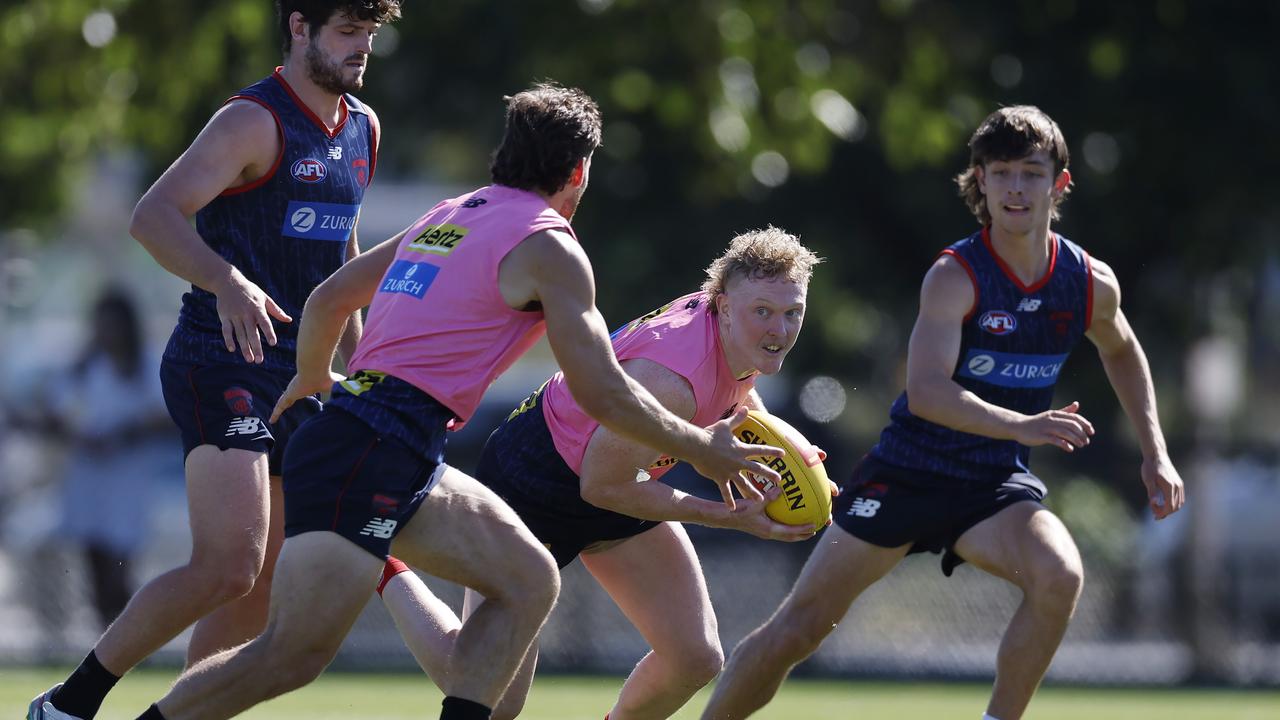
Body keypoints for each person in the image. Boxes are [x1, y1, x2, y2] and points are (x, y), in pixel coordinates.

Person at [124, 82, 784, 720]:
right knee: (288, 657)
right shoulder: (552, 246)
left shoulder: (453, 211)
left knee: (528, 580)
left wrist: (319, 378)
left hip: (383, 438)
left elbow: (328, 298)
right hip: (378, 444)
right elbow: (602, 390)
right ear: (578, 172)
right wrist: (702, 448)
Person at [702, 106, 1187, 720]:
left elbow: (1122, 349)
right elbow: (928, 393)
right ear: (979, 181)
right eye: (1002, 171)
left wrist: (1156, 452)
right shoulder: (956, 276)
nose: (1016, 187)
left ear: (1059, 185)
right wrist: (1025, 426)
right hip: (907, 474)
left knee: (1060, 575)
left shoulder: (1088, 282)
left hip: (992, 487)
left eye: (1032, 173)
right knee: (798, 629)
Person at [27, 2, 403, 719]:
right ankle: (68, 705)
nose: (362, 50)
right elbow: (153, 216)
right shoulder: (251, 120)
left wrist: (362, 371)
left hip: (303, 372)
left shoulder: (363, 126)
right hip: (221, 359)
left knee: (259, 583)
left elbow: (343, 261)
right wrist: (226, 280)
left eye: (371, 35)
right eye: (347, 32)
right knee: (228, 564)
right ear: (299, 27)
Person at [379, 227, 824, 720]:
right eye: (763, 311)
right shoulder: (670, 380)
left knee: (694, 657)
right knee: (490, 694)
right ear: (721, 303)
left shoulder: (737, 330)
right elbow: (603, 485)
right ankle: (385, 567)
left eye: (792, 313)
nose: (779, 330)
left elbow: (737, 399)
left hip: (620, 475)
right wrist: (726, 515)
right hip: (535, 483)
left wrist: (796, 460)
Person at [42, 288, 174, 630]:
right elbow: (58, 413)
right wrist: (80, 435)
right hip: (88, 477)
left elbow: (164, 415)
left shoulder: (146, 364)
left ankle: (129, 633)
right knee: (95, 559)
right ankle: (108, 637)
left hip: (128, 477)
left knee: (122, 561)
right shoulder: (83, 368)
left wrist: (123, 432)